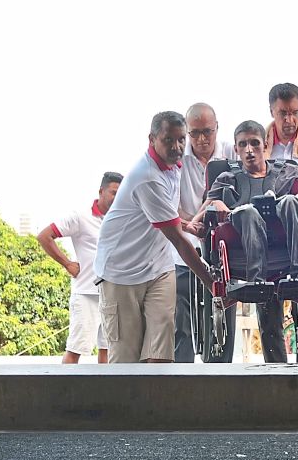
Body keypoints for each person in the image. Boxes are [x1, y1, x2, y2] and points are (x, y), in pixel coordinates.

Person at [94, 111, 214, 364]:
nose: (177, 146)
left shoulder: (175, 165)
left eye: (181, 139)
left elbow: (162, 215)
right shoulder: (146, 177)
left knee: (161, 354)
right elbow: (178, 242)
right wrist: (212, 285)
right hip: (121, 272)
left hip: (159, 268)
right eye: (168, 140)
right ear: (152, 139)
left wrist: (188, 226)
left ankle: (157, 403)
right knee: (127, 359)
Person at [202, 121, 298, 363]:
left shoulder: (287, 171)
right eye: (242, 144)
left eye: (254, 143)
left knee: (291, 202)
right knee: (248, 211)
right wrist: (218, 204)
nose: (249, 150)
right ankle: (257, 281)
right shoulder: (227, 177)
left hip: (284, 246)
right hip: (245, 247)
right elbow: (209, 204)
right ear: (236, 148)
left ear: (265, 145)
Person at [36, 172, 122, 364]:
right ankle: (63, 393)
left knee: (107, 352)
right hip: (86, 295)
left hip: (112, 294)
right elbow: (44, 236)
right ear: (101, 191)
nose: (117, 198)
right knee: (76, 349)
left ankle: (106, 394)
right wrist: (67, 263)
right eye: (113, 192)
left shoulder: (119, 220)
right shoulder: (80, 217)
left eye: (120, 193)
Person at [175, 103, 234, 363]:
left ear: (217, 128)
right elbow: (167, 203)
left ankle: (222, 374)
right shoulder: (176, 156)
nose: (201, 139)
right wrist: (189, 224)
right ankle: (182, 378)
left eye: (207, 132)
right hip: (183, 247)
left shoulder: (232, 152)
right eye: (195, 133)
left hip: (223, 252)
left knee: (223, 316)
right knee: (181, 320)